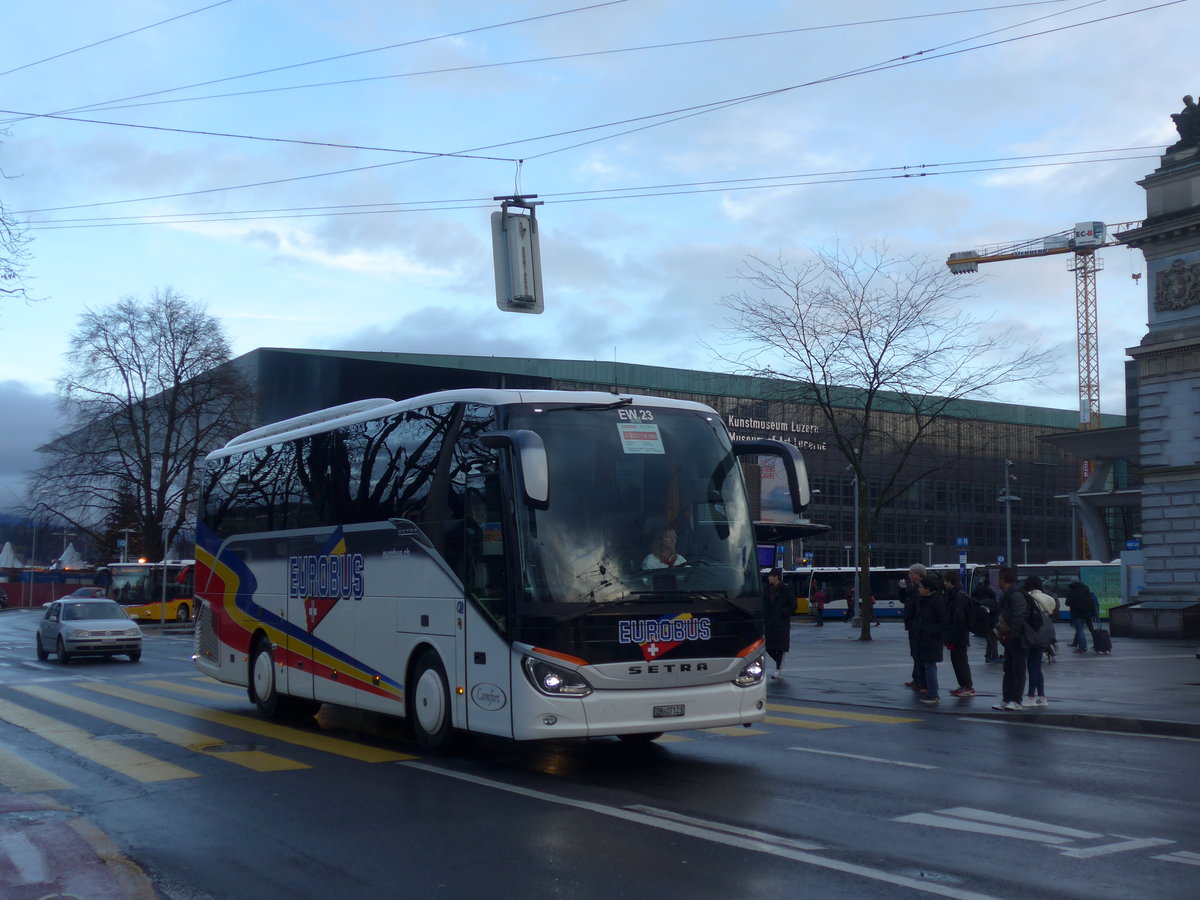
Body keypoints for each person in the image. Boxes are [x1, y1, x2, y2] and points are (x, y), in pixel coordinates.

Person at [992, 567, 1029, 710]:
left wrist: (1013, 635)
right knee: (1008, 669)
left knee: (1018, 669)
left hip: (1018, 638)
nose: (997, 581)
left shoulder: (1015, 595)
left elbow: (1019, 617)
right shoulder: (1006, 594)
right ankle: (1007, 699)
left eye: (998, 578)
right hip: (1009, 638)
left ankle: (1016, 700)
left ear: (1003, 580)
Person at [1022, 575, 1057, 707]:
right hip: (1045, 634)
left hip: (1032, 633)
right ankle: (1042, 697)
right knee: (1037, 667)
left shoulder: (1028, 597)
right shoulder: (1047, 598)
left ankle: (1031, 697)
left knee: (1032, 667)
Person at [914, 576, 948, 705]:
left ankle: (933, 694)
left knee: (930, 666)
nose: (919, 589)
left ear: (928, 589)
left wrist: (931, 632)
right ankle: (931, 692)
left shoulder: (935, 601)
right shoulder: (925, 600)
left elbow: (943, 621)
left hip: (931, 639)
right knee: (927, 665)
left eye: (921, 587)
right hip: (925, 637)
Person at [943, 570, 975, 697]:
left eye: (945, 581)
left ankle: (967, 686)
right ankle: (963, 685)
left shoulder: (958, 596)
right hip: (958, 634)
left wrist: (951, 635)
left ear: (950, 581)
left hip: (958, 635)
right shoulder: (957, 594)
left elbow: (958, 617)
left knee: (960, 661)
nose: (944, 584)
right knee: (957, 661)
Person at [764, 568, 794, 679]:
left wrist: (782, 612)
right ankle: (779, 662)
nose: (768, 578)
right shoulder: (767, 590)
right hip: (769, 623)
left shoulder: (785, 590)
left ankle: (777, 669)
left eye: (770, 576)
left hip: (781, 624)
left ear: (776, 577)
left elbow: (793, 606)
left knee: (780, 647)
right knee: (767, 647)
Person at [901, 563, 926, 691]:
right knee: (914, 652)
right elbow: (904, 600)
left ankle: (919, 679)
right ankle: (916, 678)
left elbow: (914, 606)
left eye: (911, 573)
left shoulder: (920, 588)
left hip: (916, 624)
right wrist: (904, 589)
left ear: (918, 574)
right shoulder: (913, 588)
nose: (909, 575)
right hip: (912, 624)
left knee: (917, 652)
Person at [973, 579, 1000, 663]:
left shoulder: (977, 590)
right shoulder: (992, 593)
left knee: (989, 638)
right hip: (991, 618)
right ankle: (994, 656)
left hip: (983, 617)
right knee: (993, 638)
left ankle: (988, 655)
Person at [1066, 580, 1096, 653]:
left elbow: (1068, 602)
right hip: (1087, 612)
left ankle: (1082, 647)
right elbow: (1090, 601)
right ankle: (1096, 643)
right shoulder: (1085, 588)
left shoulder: (1072, 590)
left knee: (1079, 630)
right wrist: (1093, 612)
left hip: (1077, 613)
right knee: (1089, 629)